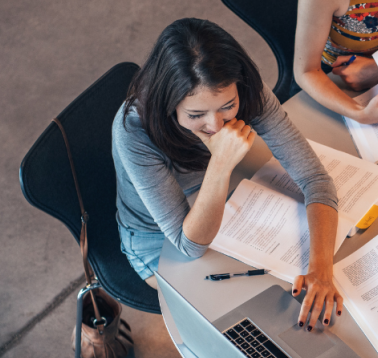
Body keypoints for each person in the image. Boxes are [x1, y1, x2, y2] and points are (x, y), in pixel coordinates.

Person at [113, 18, 342, 329]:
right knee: (241, 319)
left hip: (230, 199)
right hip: (157, 236)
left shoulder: (247, 92)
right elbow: (189, 244)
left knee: (282, 298)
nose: (217, 126)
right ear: (168, 105)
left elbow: (316, 180)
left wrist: (320, 269)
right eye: (196, 115)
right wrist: (221, 162)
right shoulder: (133, 130)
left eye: (227, 106)